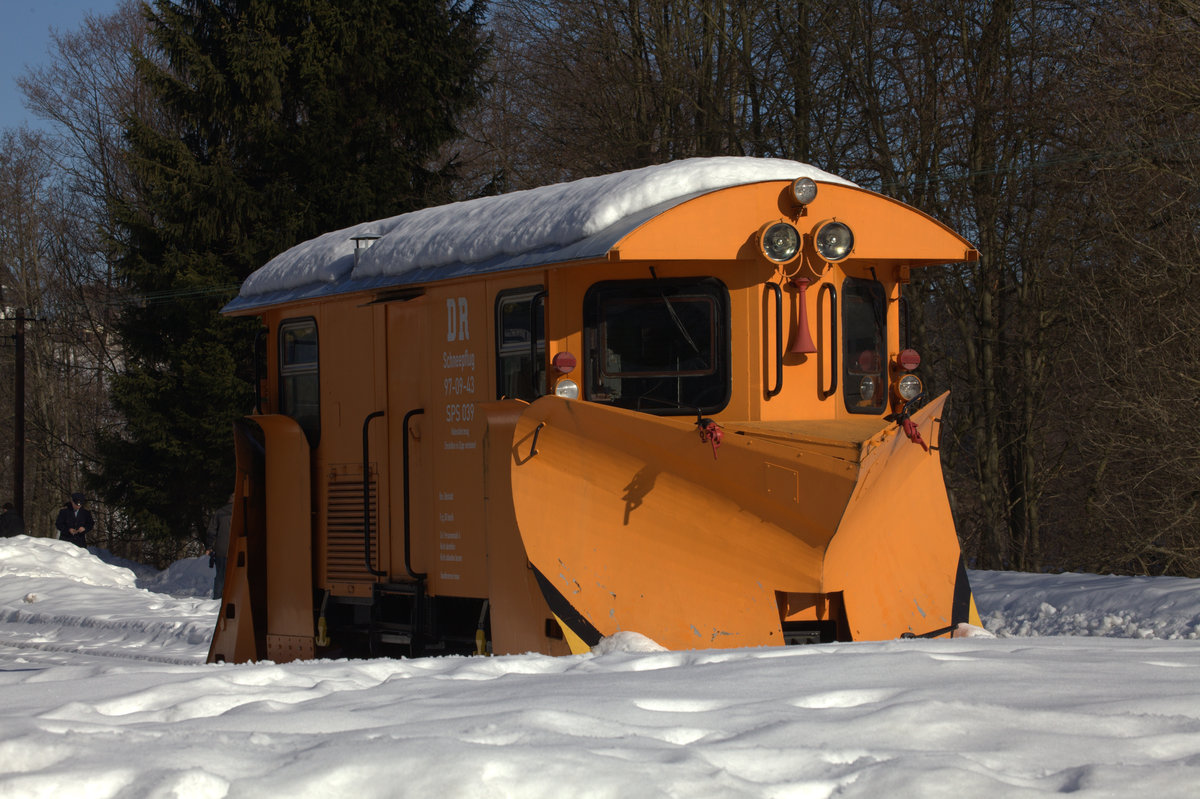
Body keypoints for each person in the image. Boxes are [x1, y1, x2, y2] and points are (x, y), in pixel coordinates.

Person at [206, 497, 233, 599]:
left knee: (220, 576)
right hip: (237, 550)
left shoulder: (219, 512)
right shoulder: (242, 512)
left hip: (221, 549)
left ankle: (217, 598)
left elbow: (211, 532)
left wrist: (209, 547)